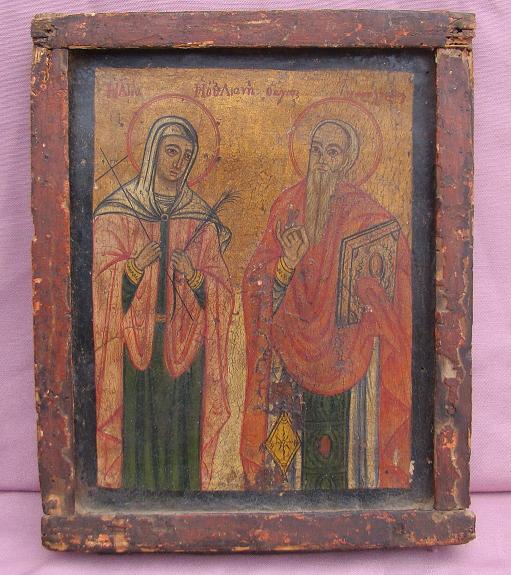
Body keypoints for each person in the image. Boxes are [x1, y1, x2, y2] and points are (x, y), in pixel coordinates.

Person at [240, 119, 412, 490]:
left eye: (332, 152)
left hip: (347, 360)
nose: (321, 160)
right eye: (316, 150)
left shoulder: (366, 215)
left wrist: (373, 292)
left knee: (342, 462)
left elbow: (393, 266)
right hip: (290, 358)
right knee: (286, 462)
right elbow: (256, 281)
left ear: (347, 161)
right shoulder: (287, 207)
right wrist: (285, 266)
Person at [93, 116, 234, 491]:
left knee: (181, 442)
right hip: (134, 349)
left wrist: (196, 276)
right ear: (153, 151)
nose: (179, 162)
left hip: (186, 354)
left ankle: (184, 508)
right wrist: (133, 268)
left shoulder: (200, 217)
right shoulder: (118, 212)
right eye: (172, 151)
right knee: (138, 443)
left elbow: (222, 292)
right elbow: (99, 285)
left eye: (187, 155)